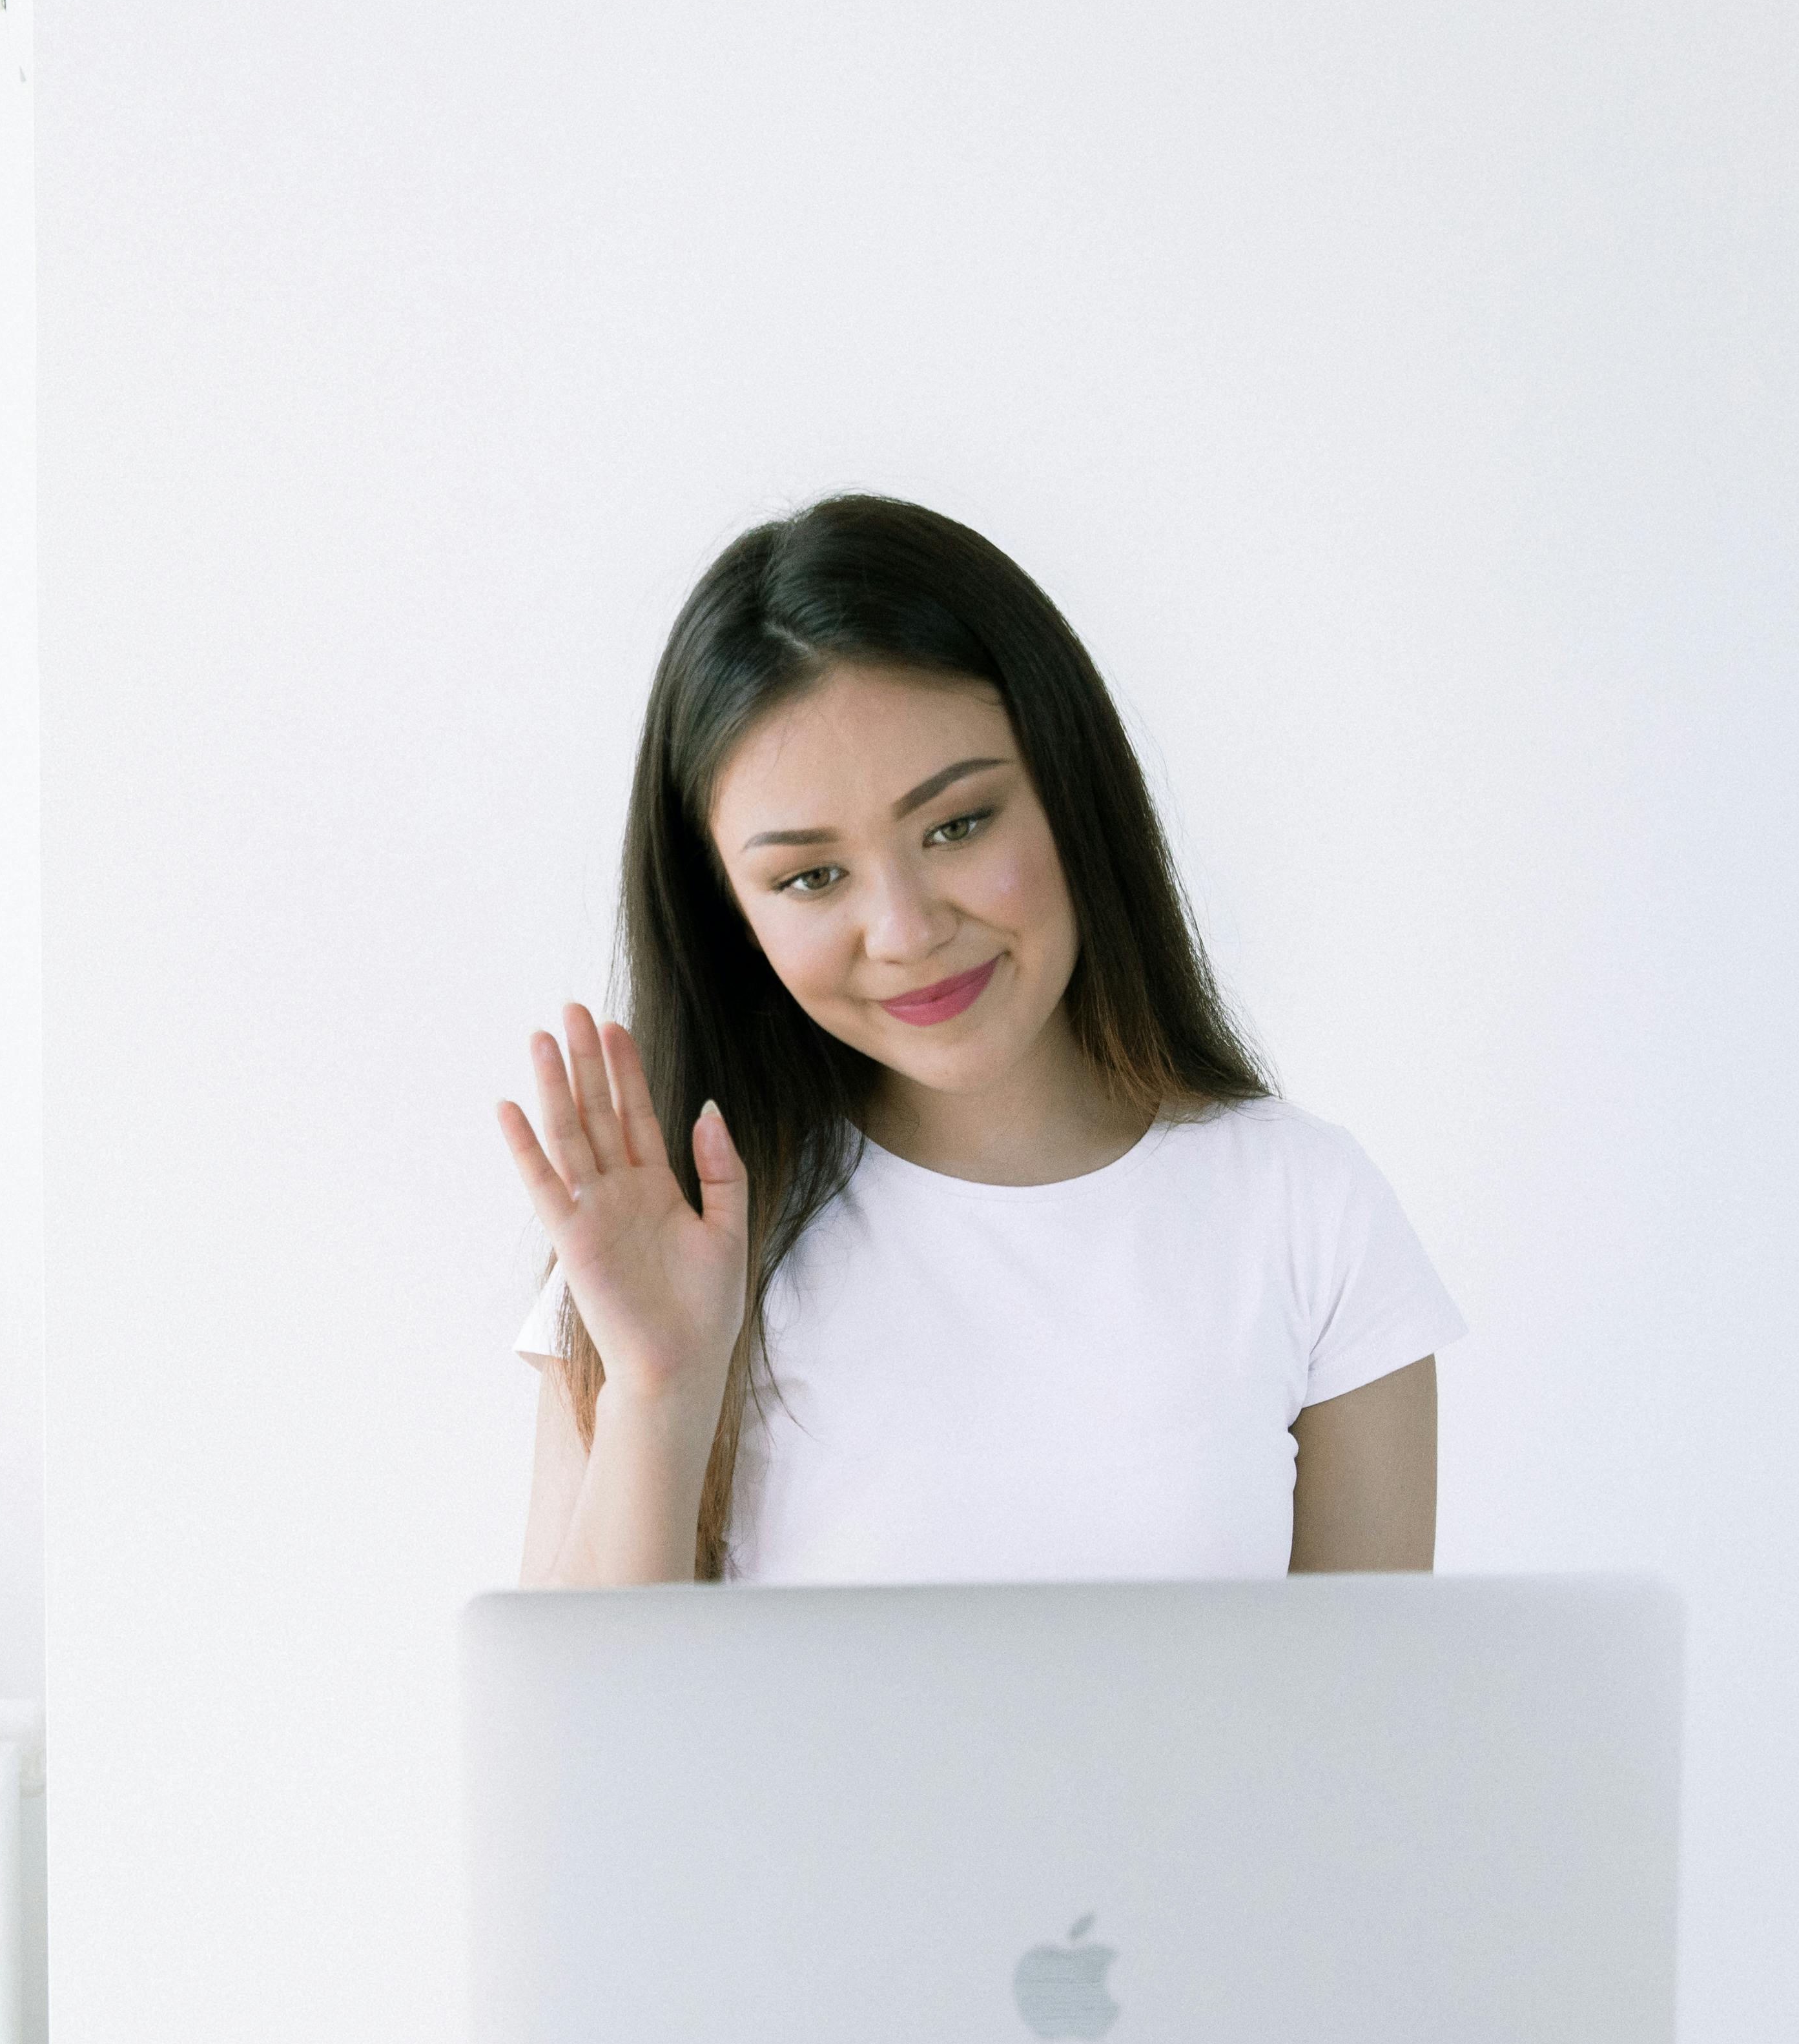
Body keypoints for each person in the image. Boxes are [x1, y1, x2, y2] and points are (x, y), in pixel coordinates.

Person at [500, 495, 1462, 1589]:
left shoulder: (1306, 1210)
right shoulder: (665, 1245)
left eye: (957, 824)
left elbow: (1373, 1739)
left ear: (1070, 787)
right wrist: (659, 1391)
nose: (908, 930)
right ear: (731, 914)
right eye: (812, 876)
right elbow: (584, 1748)